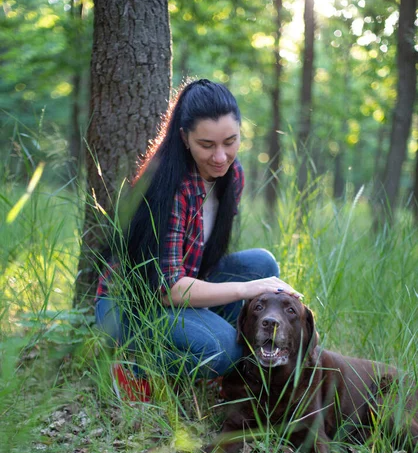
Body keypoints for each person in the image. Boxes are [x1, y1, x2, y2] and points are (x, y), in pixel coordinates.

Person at [95, 79, 302, 401]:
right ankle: (134, 364)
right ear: (184, 138)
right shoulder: (169, 187)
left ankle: (204, 358)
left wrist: (253, 284)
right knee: (223, 349)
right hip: (132, 306)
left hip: (180, 287)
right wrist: (247, 289)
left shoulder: (232, 177)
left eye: (230, 142)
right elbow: (166, 289)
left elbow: (203, 263)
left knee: (261, 263)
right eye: (207, 145)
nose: (221, 156)